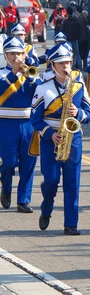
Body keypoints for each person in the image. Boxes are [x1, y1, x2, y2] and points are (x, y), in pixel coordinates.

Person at [31, 43, 90, 235]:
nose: (66, 67)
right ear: (53, 66)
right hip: (51, 139)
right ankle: (47, 206)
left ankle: (71, 223)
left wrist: (79, 113)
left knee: (72, 182)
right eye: (61, 63)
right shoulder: (43, 88)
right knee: (51, 180)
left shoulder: (78, 86)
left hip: (73, 139)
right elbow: (35, 119)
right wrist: (50, 134)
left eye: (68, 62)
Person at [0, 37, 38, 213]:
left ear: (24, 54)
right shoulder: (1, 74)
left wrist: (30, 78)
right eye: (12, 54)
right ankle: (6, 187)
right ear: (5, 55)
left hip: (28, 124)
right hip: (6, 124)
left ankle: (23, 200)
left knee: (28, 163)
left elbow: (40, 94)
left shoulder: (31, 73)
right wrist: (13, 74)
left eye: (19, 54)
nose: (16, 58)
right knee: (8, 163)